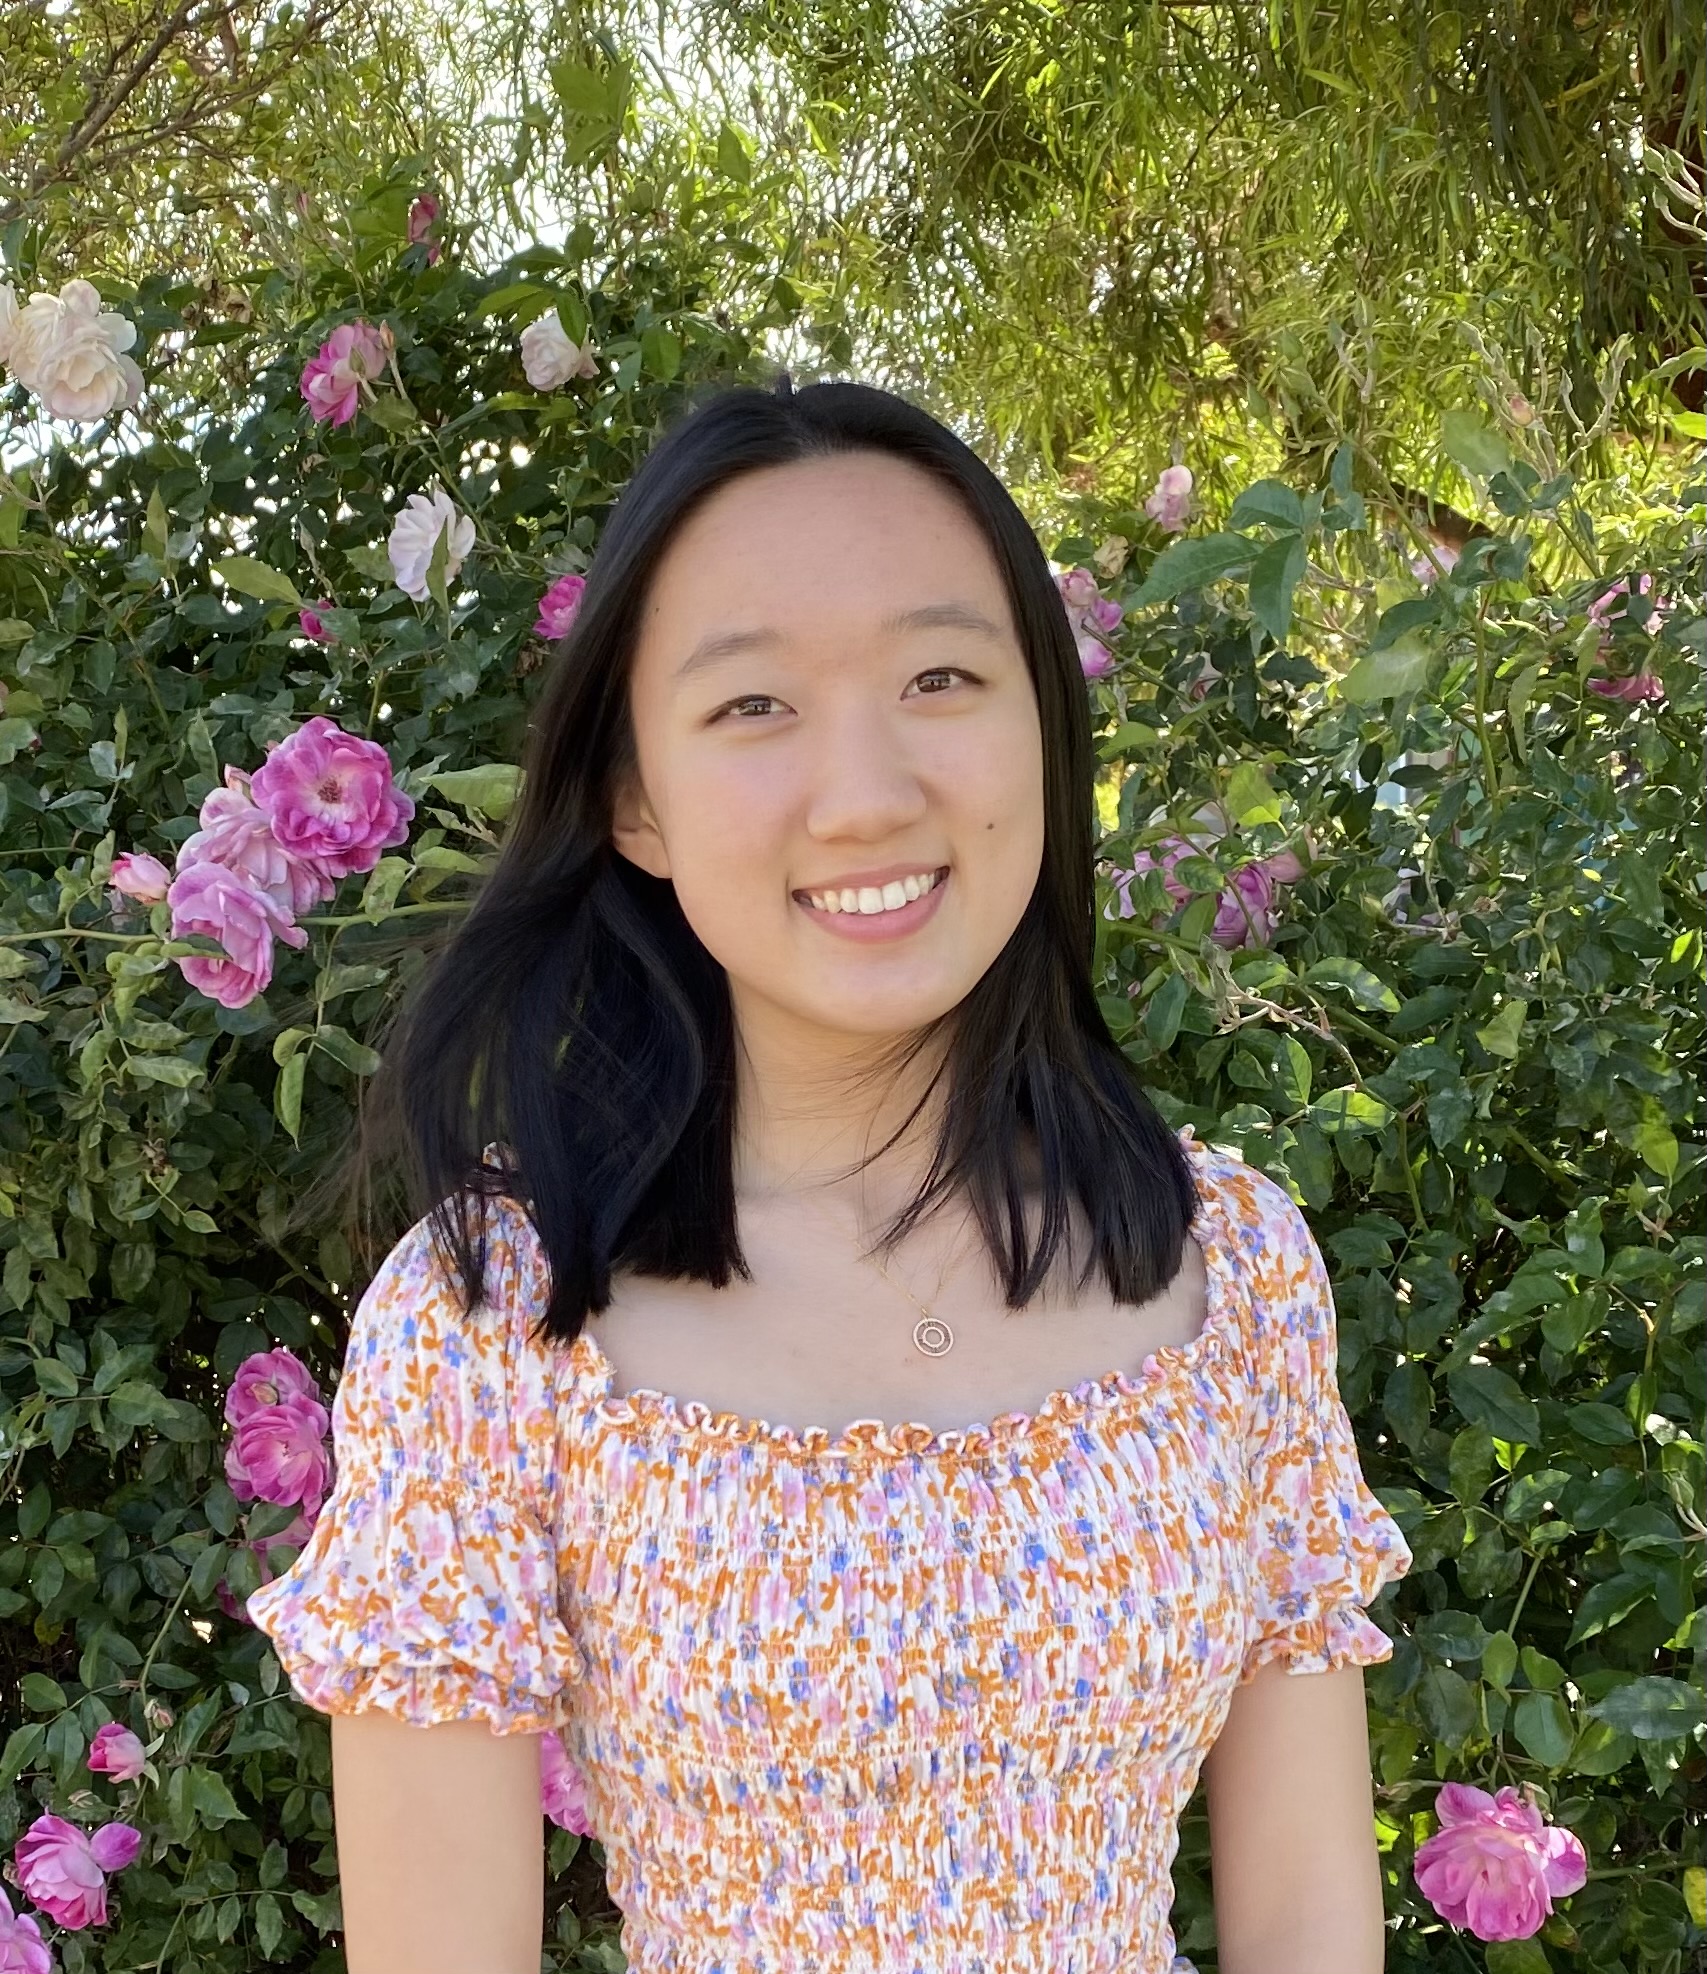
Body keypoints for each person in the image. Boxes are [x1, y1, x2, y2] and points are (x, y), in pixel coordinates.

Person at [246, 374, 1413, 1974]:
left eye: (940, 675)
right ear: (635, 797)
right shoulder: (497, 1318)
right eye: (753, 704)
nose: (866, 793)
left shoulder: (1235, 1270)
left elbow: (1307, 1924)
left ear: (1043, 728)